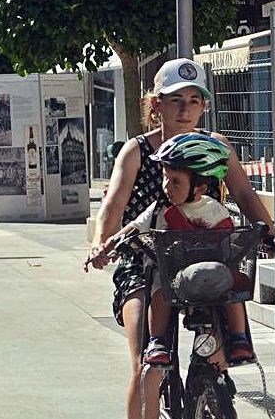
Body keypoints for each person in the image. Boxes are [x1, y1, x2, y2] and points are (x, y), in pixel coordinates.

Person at [83, 58, 275, 419]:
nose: (185, 109)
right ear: (154, 106)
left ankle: (209, 384)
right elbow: (115, 203)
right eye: (174, 101)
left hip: (202, 257)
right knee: (146, 360)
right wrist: (104, 244)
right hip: (143, 257)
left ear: (204, 107)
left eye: (194, 101)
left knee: (224, 303)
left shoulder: (216, 147)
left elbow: (245, 198)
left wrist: (272, 236)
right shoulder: (137, 151)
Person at [94, 132, 255, 368]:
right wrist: (112, 242)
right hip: (175, 276)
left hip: (211, 271)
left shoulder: (214, 210)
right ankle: (158, 341)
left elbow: (229, 236)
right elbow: (134, 226)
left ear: (199, 188)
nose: (167, 187)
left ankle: (239, 338)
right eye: (165, 178)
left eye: (176, 182)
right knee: (160, 294)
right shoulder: (160, 210)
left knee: (231, 294)